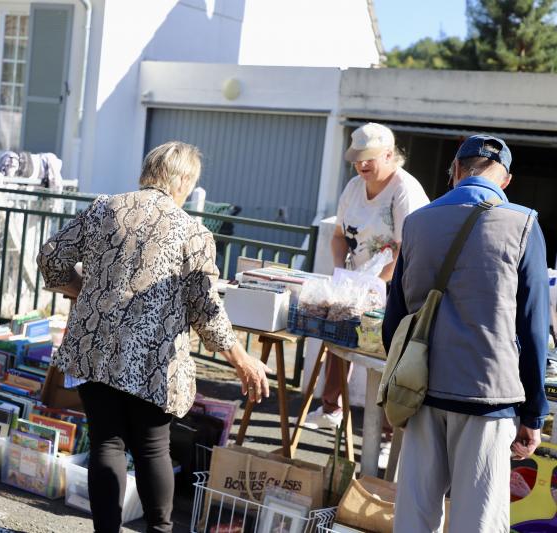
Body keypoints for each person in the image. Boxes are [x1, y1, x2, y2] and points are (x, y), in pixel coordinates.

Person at [37, 141, 270, 532]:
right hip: (152, 358)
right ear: (183, 181)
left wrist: (80, 288)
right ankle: (160, 529)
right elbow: (205, 307)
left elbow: (51, 257)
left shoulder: (104, 208)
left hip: (96, 347)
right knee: (152, 448)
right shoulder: (192, 231)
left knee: (106, 443)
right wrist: (240, 359)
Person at [383, 135, 548, 532]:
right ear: (505, 180)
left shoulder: (417, 222)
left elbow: (394, 320)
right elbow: (534, 326)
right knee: (477, 522)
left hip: (421, 391)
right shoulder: (523, 224)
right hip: (488, 395)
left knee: (414, 518)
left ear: (455, 171)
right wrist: (534, 412)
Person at [306, 123, 429, 467]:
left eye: (369, 158)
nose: (362, 165)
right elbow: (337, 236)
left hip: (400, 286)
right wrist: (343, 274)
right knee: (336, 327)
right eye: (357, 159)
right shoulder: (353, 187)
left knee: (389, 355)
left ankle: (390, 434)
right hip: (361, 279)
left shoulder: (405, 190)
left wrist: (378, 284)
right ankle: (331, 405)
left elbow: (409, 249)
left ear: (389, 155)